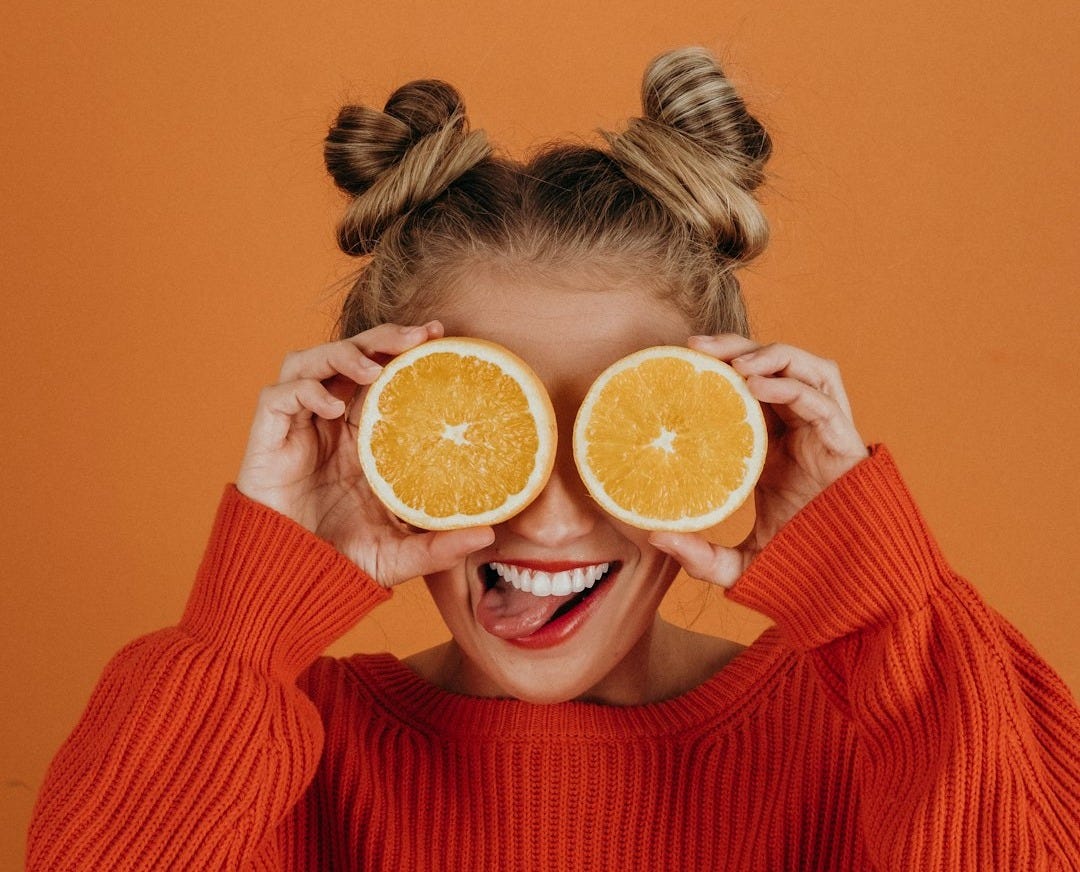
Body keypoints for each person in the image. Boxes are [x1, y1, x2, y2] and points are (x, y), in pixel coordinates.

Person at [28, 47, 1080, 870]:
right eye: (484, 432)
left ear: (732, 432)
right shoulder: (279, 754)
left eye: (620, 430)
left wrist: (882, 602)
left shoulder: (875, 740)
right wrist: (247, 623)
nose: (551, 517)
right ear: (375, 435)